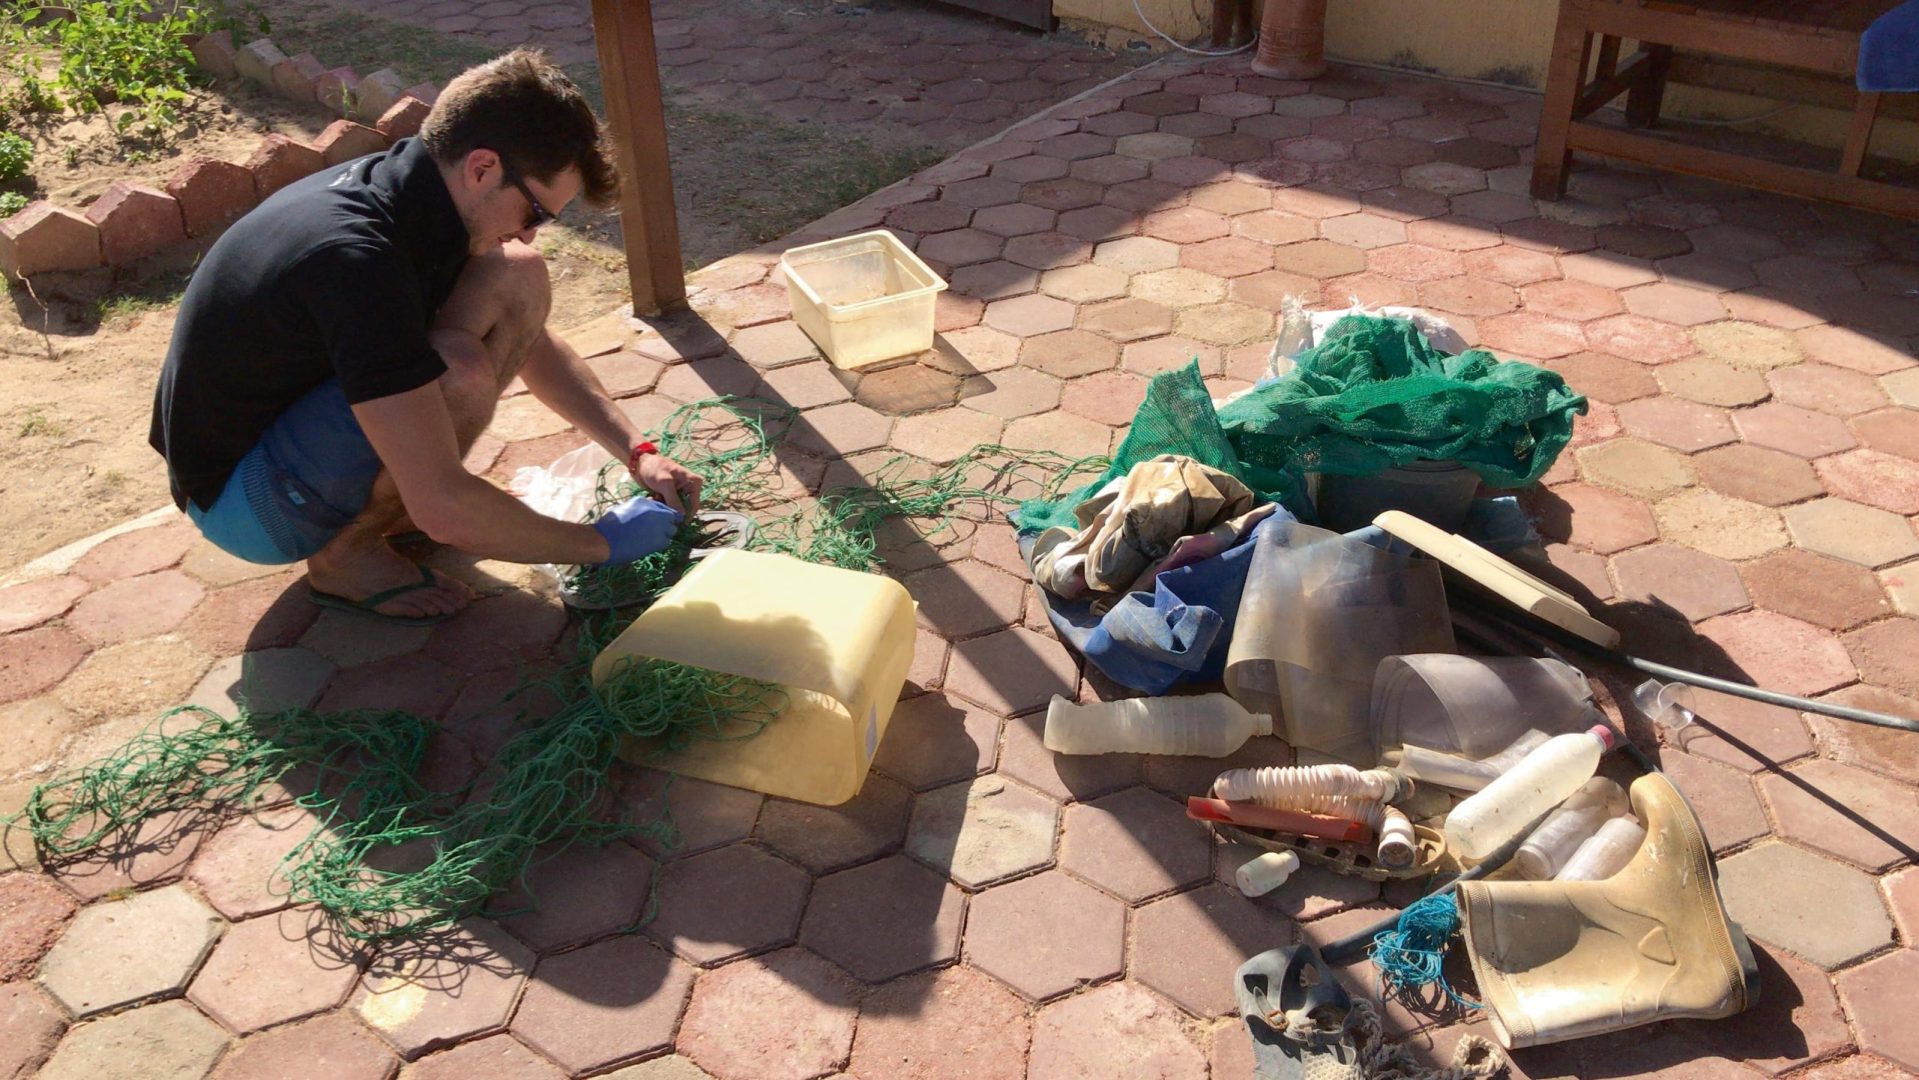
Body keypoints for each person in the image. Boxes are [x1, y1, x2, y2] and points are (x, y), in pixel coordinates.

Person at [150, 49, 699, 625]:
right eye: (535, 211)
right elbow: (447, 510)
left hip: (287, 428)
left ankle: (392, 506)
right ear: (483, 167)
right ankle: (346, 558)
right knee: (454, 372)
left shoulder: (419, 191)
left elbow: (530, 341)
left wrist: (639, 454)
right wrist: (602, 544)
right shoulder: (356, 257)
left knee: (514, 274)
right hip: (244, 502)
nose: (532, 233)